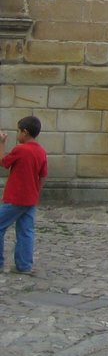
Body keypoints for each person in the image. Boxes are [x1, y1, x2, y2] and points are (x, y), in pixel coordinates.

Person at [0, 116, 48, 274]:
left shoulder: (20, 149)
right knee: (26, 231)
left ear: (24, 132)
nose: (17, 134)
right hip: (30, 198)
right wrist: (36, 193)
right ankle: (24, 265)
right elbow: (43, 175)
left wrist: (1, 143)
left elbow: (3, 162)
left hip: (15, 198)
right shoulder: (41, 151)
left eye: (18, 131)